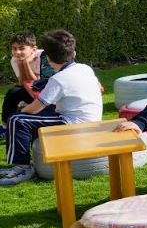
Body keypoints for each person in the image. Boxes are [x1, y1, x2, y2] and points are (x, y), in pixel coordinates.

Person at [0, 30, 102, 186]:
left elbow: (34, 109)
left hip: (74, 124)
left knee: (16, 119)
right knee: (33, 116)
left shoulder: (58, 79)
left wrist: (22, 111)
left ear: (47, 57)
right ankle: (30, 161)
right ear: (73, 52)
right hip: (91, 119)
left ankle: (23, 168)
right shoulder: (84, 68)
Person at [3, 31, 57, 133]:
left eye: (21, 48)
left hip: (47, 92)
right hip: (32, 88)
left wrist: (26, 63)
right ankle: (6, 125)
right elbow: (22, 82)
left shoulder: (43, 56)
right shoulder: (14, 60)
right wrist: (21, 64)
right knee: (13, 92)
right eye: (14, 48)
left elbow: (39, 83)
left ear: (33, 49)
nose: (17, 52)